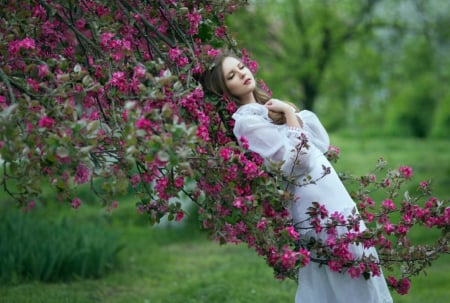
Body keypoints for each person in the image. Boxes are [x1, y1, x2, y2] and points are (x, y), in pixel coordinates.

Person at [201, 50, 393, 303]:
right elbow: (296, 163)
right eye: (232, 75)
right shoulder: (246, 123)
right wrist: (290, 115)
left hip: (329, 189)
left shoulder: (267, 108)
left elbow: (320, 142)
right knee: (346, 264)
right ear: (225, 87)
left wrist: (286, 112)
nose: (242, 74)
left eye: (241, 67)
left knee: (360, 257)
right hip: (311, 199)